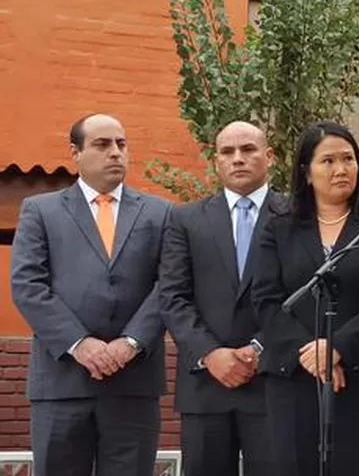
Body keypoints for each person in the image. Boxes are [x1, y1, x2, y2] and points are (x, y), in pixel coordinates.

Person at [10, 114, 169, 476]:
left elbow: (170, 286)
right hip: (62, 383)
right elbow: (28, 285)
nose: (115, 153)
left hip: (134, 384)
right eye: (102, 144)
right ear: (75, 153)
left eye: (121, 144)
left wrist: (129, 343)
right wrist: (81, 344)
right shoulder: (41, 211)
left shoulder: (160, 213)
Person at [251, 122, 359, 476]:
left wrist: (337, 348)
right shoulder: (278, 228)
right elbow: (266, 299)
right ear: (307, 173)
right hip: (293, 377)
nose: (341, 169)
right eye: (328, 161)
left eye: (348, 159)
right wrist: (311, 354)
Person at [160, 121, 284, 476]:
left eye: (248, 149)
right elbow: (172, 296)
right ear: (216, 162)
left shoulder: (295, 217)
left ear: (269, 156)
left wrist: (260, 348)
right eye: (227, 152)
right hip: (205, 387)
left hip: (274, 383)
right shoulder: (185, 220)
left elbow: (301, 294)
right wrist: (210, 354)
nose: (238, 159)